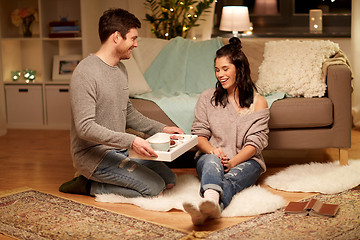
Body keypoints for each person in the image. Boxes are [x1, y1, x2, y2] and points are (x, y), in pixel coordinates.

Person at [59, 8, 183, 198]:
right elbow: (85, 128)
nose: (135, 44)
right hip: (94, 157)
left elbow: (129, 114)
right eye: (133, 39)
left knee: (169, 179)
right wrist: (132, 141)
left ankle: (109, 177)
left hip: (119, 152)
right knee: (154, 188)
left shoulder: (121, 70)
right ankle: (88, 185)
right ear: (117, 37)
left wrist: (162, 129)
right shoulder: (85, 73)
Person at [182, 37, 270, 225]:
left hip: (246, 160)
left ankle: (209, 208)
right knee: (212, 162)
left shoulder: (258, 102)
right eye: (217, 70)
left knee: (233, 178)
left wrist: (233, 162)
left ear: (240, 69)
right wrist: (213, 151)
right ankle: (213, 201)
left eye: (225, 69)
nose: (220, 74)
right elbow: (200, 135)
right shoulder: (207, 98)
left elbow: (256, 142)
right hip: (211, 157)